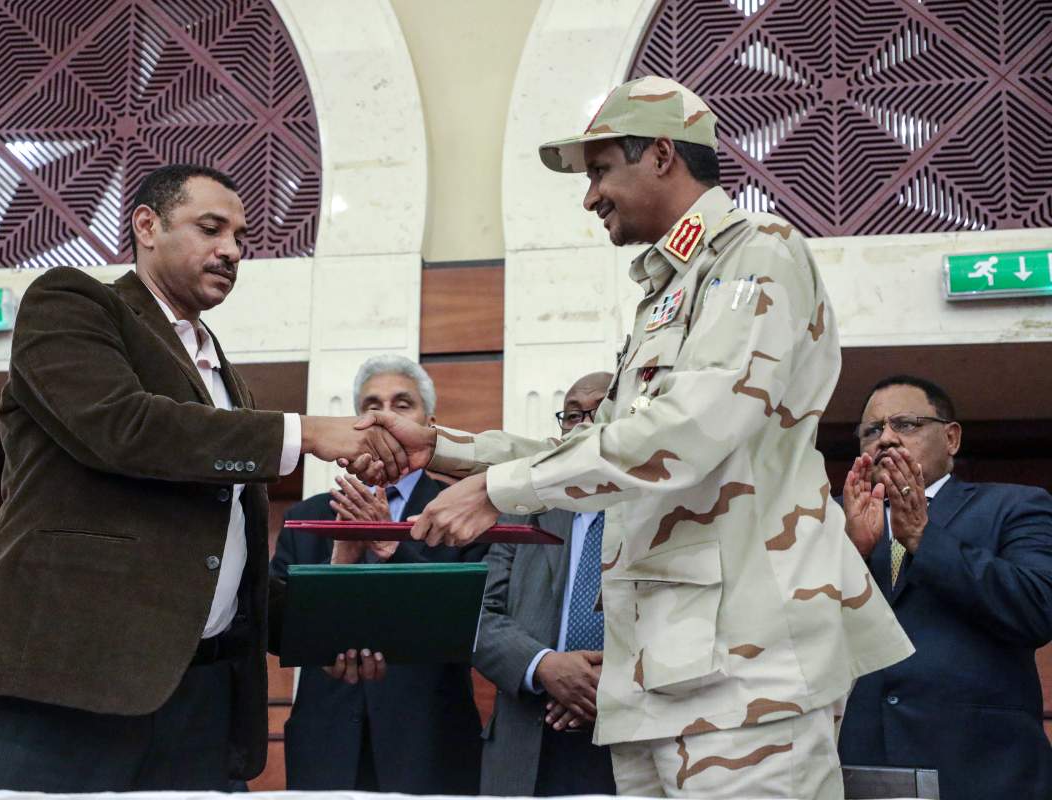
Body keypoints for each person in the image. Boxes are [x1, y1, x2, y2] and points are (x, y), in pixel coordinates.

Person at [356, 76, 914, 799]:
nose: (590, 196)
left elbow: (682, 432)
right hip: (665, 669)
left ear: (659, 155)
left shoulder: (758, 255)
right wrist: (446, 447)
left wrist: (497, 491)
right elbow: (618, 438)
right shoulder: (671, 289)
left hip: (747, 676)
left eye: (598, 171)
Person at [0, 164, 403, 794]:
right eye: (211, 227)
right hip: (58, 686)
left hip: (200, 706)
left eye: (241, 237)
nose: (231, 250)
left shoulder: (230, 381)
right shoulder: (73, 304)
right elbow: (122, 427)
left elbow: (221, 570)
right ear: (147, 225)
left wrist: (335, 630)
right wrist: (306, 433)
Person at [270, 355, 488, 794]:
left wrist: (393, 547)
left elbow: (474, 623)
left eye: (401, 404)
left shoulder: (462, 511)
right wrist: (342, 557)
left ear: (430, 420)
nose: (385, 416)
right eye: (372, 405)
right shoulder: (307, 517)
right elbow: (282, 628)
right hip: (325, 739)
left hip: (428, 742)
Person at [837, 375, 1052, 800]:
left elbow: (1037, 608)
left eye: (907, 423)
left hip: (982, 768)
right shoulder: (835, 521)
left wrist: (923, 538)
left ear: (951, 438)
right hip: (860, 764)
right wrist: (852, 557)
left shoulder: (1015, 506)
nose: (887, 439)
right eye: (872, 430)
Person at [474, 371, 617, 796]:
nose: (585, 426)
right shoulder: (523, 508)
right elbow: (477, 615)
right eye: (573, 416)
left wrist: (606, 687)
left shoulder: (661, 513)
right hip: (528, 745)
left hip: (633, 742)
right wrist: (546, 667)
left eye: (599, 412)